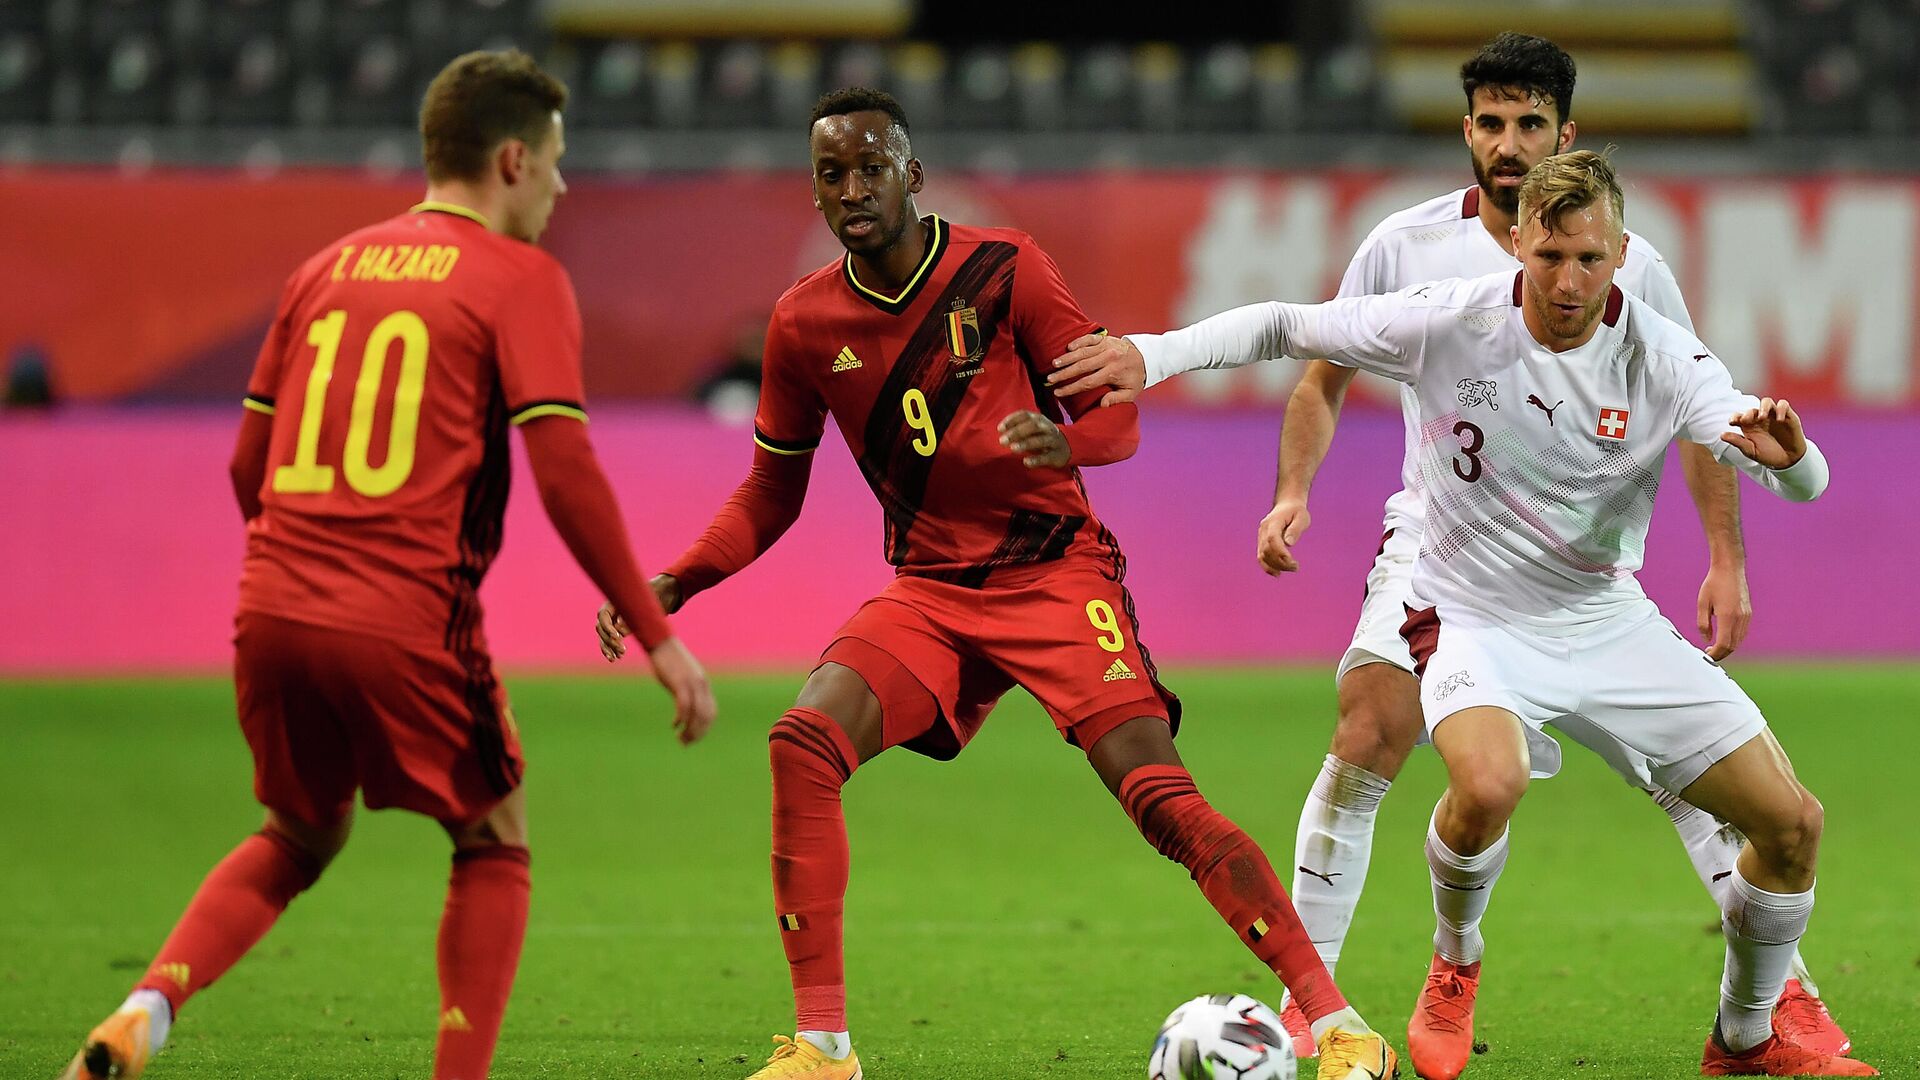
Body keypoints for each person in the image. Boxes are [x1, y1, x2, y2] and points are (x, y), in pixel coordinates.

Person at [1044, 31, 1849, 1064]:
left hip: (1602, 594)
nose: (1567, 275)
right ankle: (1341, 992)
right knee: (1407, 741)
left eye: (1586, 257)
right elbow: (1297, 336)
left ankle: (1771, 1015)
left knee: (1768, 811)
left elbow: (1737, 436)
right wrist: (1156, 361)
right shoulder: (1431, 287)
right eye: (1491, 122)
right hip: (1452, 578)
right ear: (1515, 238)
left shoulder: (1649, 309)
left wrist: (1773, 489)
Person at [595, 87, 1397, 1080]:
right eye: (830, 174)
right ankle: (823, 1049)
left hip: (1055, 572)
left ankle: (1335, 1020)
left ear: (912, 174)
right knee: (803, 741)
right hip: (931, 588)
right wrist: (674, 580)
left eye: (870, 167)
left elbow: (1120, 417)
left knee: (1159, 797)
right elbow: (770, 493)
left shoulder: (1003, 268)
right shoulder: (803, 325)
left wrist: (1059, 437)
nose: (851, 189)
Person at [56, 49, 716, 1080]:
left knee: (300, 836)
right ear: (510, 160)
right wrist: (660, 633)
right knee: (494, 833)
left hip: (270, 604)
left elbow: (247, 465)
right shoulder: (521, 279)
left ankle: (149, 1006)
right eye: (555, 162)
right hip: (404, 614)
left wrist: (302, 576)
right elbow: (568, 471)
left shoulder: (323, 270)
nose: (563, 186)